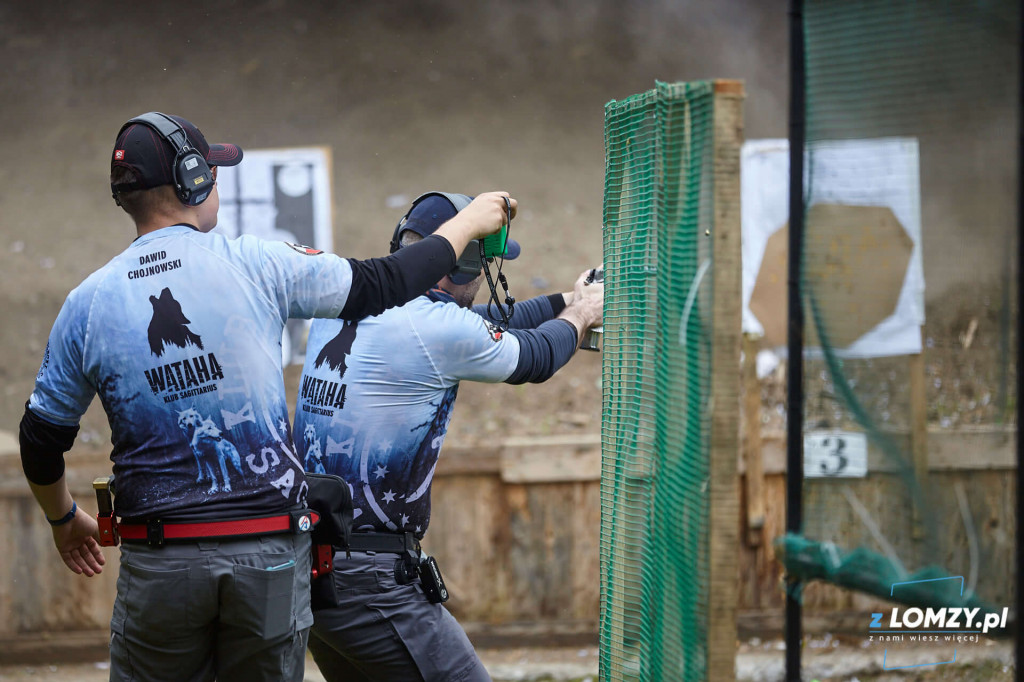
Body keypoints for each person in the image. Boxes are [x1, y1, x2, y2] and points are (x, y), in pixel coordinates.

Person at [18, 114, 515, 682]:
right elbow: (385, 284)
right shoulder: (257, 263)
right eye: (210, 170)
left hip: (161, 558)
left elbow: (40, 440)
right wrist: (468, 223)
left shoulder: (87, 303)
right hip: (270, 558)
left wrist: (63, 518)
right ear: (193, 181)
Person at [293, 191, 603, 681]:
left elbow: (487, 323)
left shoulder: (347, 302)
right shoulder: (434, 328)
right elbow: (536, 357)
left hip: (312, 567)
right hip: (370, 581)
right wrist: (582, 316)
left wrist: (571, 300)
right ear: (461, 265)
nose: (483, 280)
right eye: (483, 267)